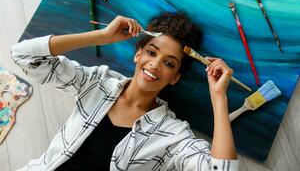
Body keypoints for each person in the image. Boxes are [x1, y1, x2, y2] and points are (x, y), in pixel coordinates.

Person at [11, 12, 239, 171]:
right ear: (138, 54)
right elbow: (22, 56)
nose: (155, 64)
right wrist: (101, 37)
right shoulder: (97, 82)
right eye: (151, 52)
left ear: (175, 78)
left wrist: (219, 97)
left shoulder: (172, 134)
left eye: (169, 63)